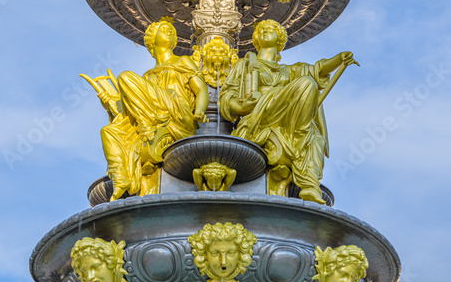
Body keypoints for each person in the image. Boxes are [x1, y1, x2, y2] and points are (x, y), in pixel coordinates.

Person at [219, 19, 357, 204]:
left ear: (280, 39)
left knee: (316, 137)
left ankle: (309, 185)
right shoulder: (245, 66)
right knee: (307, 83)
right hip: (258, 116)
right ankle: (300, 131)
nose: (265, 32)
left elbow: (317, 70)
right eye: (262, 30)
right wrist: (243, 108)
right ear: (257, 39)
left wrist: (339, 59)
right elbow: (227, 97)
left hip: (286, 118)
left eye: (271, 29)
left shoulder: (290, 71)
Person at [89, 20, 209, 201]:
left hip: (177, 114)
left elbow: (201, 89)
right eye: (164, 30)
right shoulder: (147, 77)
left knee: (126, 77)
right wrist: (111, 106)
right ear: (152, 40)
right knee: (109, 131)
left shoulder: (183, 61)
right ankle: (121, 177)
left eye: (171, 31)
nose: (169, 32)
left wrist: (199, 111)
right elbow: (128, 112)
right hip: (156, 116)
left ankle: (147, 126)